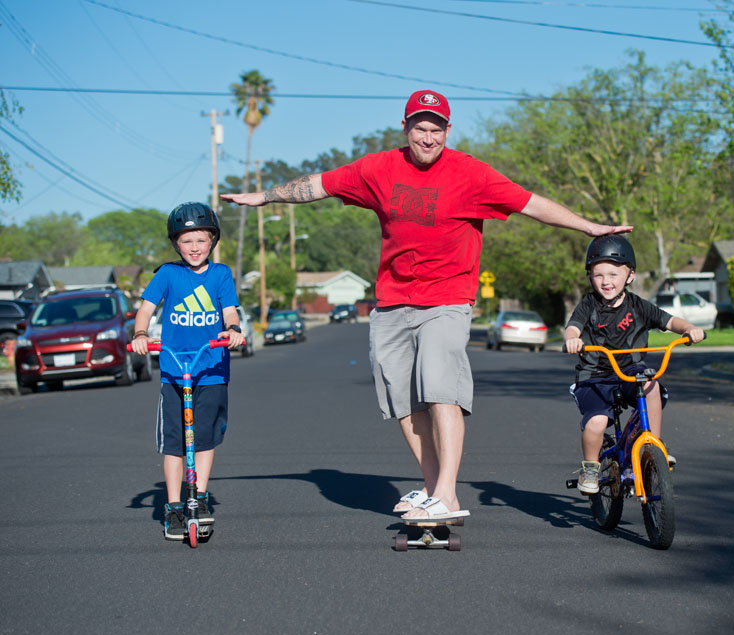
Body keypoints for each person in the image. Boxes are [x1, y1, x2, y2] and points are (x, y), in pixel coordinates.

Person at [222, 89, 629, 522]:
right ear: (406, 127)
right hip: (392, 302)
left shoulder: (470, 174)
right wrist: (264, 197)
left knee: (440, 387)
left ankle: (448, 495)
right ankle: (433, 487)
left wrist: (588, 227)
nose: (428, 137)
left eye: (437, 129)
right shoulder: (377, 169)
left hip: (448, 299)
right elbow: (319, 184)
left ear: (447, 131)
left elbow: (530, 204)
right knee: (402, 398)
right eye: (421, 128)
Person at [131, 202, 246, 540]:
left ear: (212, 240)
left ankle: (200, 497)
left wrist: (233, 329)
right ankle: (173, 506)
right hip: (173, 369)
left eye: (200, 240)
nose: (194, 248)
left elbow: (229, 312)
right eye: (186, 241)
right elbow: (146, 310)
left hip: (210, 368)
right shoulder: (167, 274)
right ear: (175, 244)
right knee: (175, 442)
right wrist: (140, 335)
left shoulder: (221, 274)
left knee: (206, 436)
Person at [563, 235, 705, 494]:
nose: (606, 281)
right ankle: (591, 468)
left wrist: (690, 329)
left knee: (650, 383)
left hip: (630, 371)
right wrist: (572, 339)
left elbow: (671, 322)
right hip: (594, 375)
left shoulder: (639, 306)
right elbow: (573, 327)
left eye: (614, 274)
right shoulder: (589, 305)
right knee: (596, 421)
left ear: (630, 276)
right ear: (590, 277)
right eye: (599, 275)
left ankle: (654, 447)